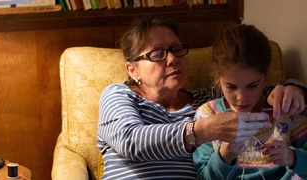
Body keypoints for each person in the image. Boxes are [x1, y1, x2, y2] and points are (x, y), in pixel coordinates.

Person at [97, 16, 307, 179]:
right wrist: (199, 131)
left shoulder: (205, 99)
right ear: (132, 70)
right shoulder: (119, 95)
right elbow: (129, 140)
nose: (171, 59)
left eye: (176, 49)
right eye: (157, 53)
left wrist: (294, 89)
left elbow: (257, 90)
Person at [193, 24, 307, 179]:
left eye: (252, 86)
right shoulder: (207, 116)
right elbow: (203, 177)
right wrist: (223, 157)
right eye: (231, 86)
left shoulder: (284, 111)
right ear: (217, 78)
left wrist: (293, 158)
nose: (241, 97)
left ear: (265, 77)